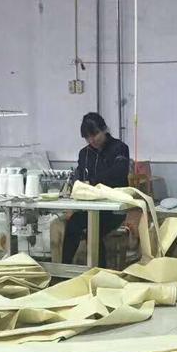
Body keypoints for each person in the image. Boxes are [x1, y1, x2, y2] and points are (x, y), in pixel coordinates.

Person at [62, 112, 129, 266]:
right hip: (91, 208)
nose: (92, 140)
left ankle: (100, 272)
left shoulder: (119, 148)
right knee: (73, 225)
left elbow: (119, 173)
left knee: (93, 230)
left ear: (104, 129)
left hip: (113, 210)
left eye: (95, 134)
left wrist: (92, 181)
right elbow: (79, 177)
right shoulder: (84, 154)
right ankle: (63, 269)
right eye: (87, 137)